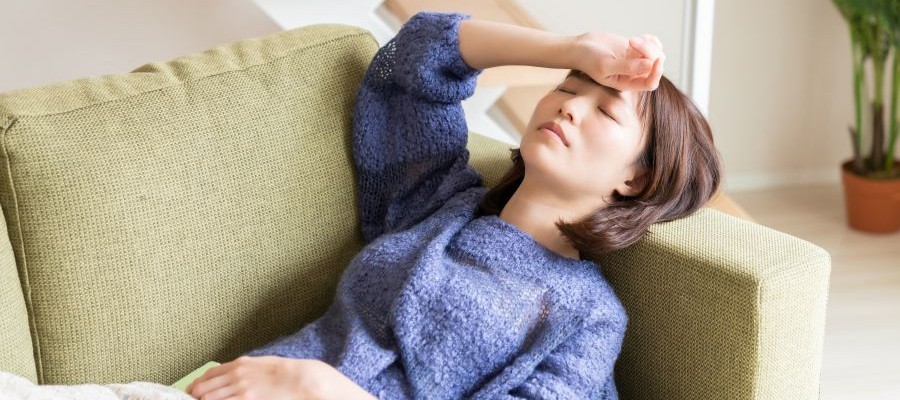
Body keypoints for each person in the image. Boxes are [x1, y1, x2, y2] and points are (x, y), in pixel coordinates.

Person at [1, 10, 717, 400]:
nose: (569, 105)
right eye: (570, 87)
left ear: (634, 179)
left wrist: (322, 388)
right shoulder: (434, 203)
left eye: (606, 110)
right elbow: (419, 58)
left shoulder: (586, 318)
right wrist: (570, 45)